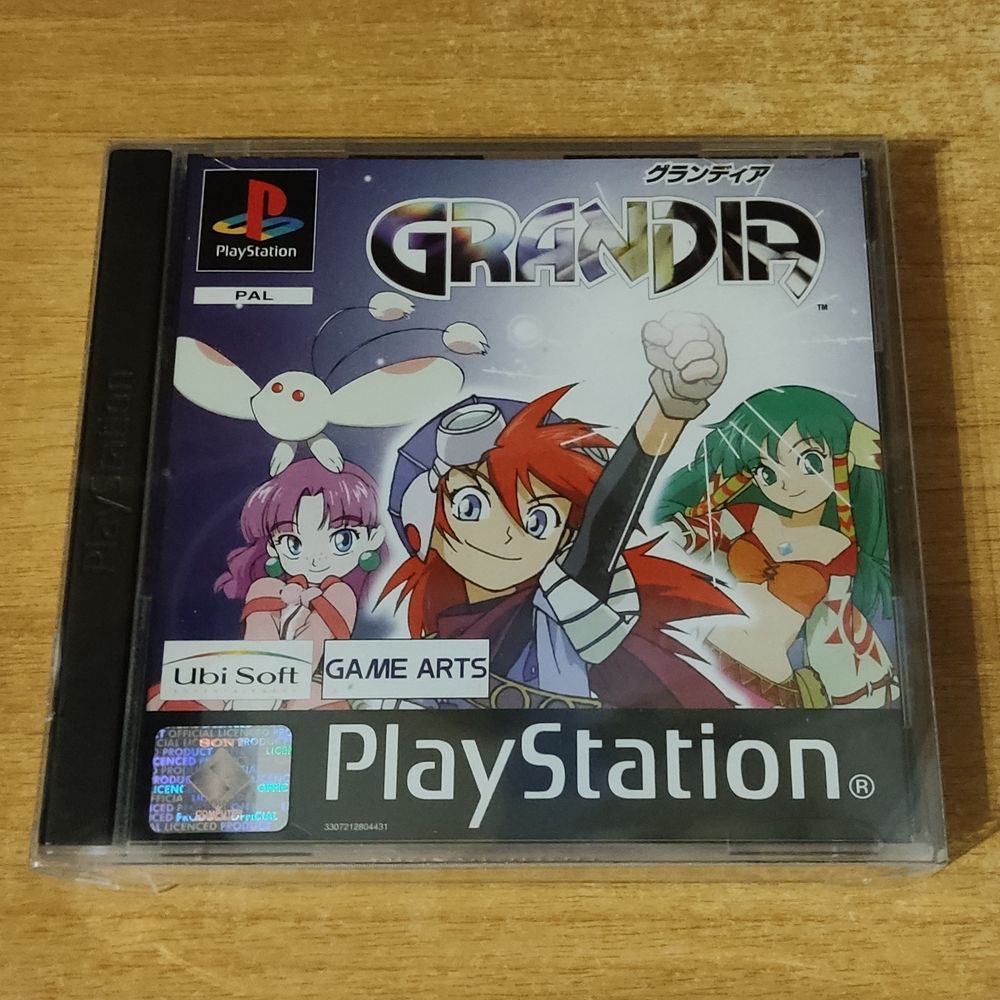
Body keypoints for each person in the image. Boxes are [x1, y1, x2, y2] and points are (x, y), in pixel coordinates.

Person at [382, 312, 739, 709]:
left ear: (566, 533)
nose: (508, 532)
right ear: (423, 533)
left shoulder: (562, 603)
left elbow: (610, 511)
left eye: (539, 519)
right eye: (471, 505)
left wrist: (668, 409)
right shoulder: (431, 651)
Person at [656, 385, 897, 708]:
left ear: (844, 462)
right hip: (703, 660)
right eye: (766, 472)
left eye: (810, 462)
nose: (786, 483)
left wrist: (848, 703)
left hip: (768, 688)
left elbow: (830, 633)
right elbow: (688, 533)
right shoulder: (753, 516)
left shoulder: (839, 550)